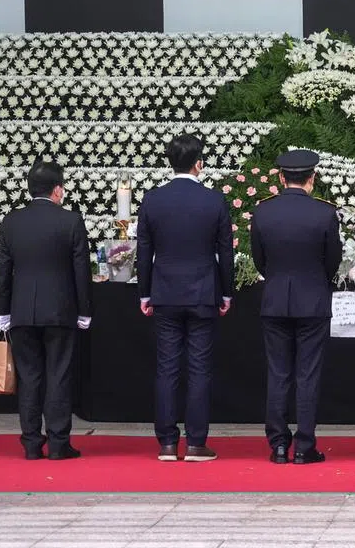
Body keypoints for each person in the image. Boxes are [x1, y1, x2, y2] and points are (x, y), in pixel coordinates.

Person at [137, 134, 234, 463]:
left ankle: (166, 442)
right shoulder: (214, 200)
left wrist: (145, 293)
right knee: (199, 368)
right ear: (199, 163)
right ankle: (195, 442)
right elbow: (225, 252)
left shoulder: (153, 199)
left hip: (164, 292)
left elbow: (144, 251)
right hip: (203, 291)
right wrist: (226, 292)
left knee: (166, 368)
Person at [250, 149, 343, 465]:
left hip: (275, 298)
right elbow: (332, 261)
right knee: (308, 375)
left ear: (280, 178)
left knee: (278, 374)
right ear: (312, 179)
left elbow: (259, 259)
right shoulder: (324, 213)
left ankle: (277, 444)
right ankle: (304, 445)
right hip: (312, 300)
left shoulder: (263, 212)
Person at [0, 161, 92, 460]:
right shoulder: (71, 221)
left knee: (29, 378)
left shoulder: (11, 222)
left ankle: (32, 443)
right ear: (57, 189)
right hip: (61, 311)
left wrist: (3, 311)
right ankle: (60, 443)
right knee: (59, 375)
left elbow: (3, 273)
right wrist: (85, 310)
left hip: (22, 310)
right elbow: (81, 271)